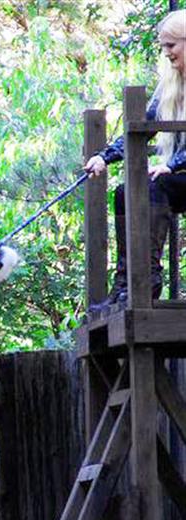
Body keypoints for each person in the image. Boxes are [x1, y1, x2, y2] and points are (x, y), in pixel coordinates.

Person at [84, 9, 186, 310]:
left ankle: (148, 280)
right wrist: (104, 157)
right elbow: (142, 125)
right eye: (163, 46)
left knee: (156, 185)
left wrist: (173, 163)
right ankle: (126, 284)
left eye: (172, 45)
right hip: (179, 176)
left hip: (178, 171)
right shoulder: (170, 86)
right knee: (126, 191)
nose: (166, 53)